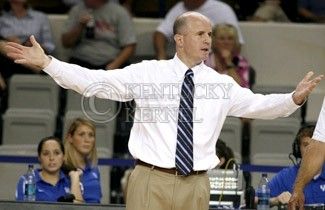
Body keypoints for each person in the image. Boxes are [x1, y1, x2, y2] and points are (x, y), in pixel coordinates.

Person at [5, 11, 324, 210]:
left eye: (210, 35)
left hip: (198, 184)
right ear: (179, 39)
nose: (208, 40)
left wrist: (292, 99)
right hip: (150, 180)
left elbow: (257, 105)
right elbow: (93, 82)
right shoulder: (148, 73)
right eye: (201, 34)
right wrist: (48, 62)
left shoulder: (221, 83)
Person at [153, 0, 243, 60]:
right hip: (186, 63)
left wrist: (226, 62)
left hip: (217, 62)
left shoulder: (222, 10)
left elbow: (236, 43)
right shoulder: (179, 8)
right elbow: (160, 33)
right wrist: (162, 59)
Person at [61, 0, 136, 70]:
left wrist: (114, 65)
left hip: (111, 61)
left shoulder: (119, 12)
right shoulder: (77, 10)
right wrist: (80, 26)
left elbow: (129, 46)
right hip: (81, 60)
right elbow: (66, 43)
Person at [265, 125, 325, 206]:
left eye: (315, 146)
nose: (311, 151)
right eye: (306, 145)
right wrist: (276, 200)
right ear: (297, 149)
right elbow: (254, 200)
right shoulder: (286, 176)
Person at [16, 136, 83, 202]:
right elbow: (24, 207)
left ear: (64, 157)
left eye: (56, 153)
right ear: (39, 157)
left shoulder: (73, 181)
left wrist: (74, 177)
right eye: (46, 154)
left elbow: (78, 208)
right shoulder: (28, 180)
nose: (51, 158)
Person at [288, 97, 325, 210]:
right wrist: (298, 189)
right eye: (304, 145)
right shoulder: (289, 174)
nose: (307, 149)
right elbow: (319, 145)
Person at [63, 117, 102, 203]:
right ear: (70, 138)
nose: (87, 140)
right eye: (81, 134)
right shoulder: (61, 167)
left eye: (91, 135)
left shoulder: (94, 169)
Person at [205, 23, 252, 88]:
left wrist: (228, 62)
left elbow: (242, 89)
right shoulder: (204, 60)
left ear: (235, 42)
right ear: (214, 41)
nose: (226, 42)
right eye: (222, 38)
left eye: (230, 38)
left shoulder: (241, 62)